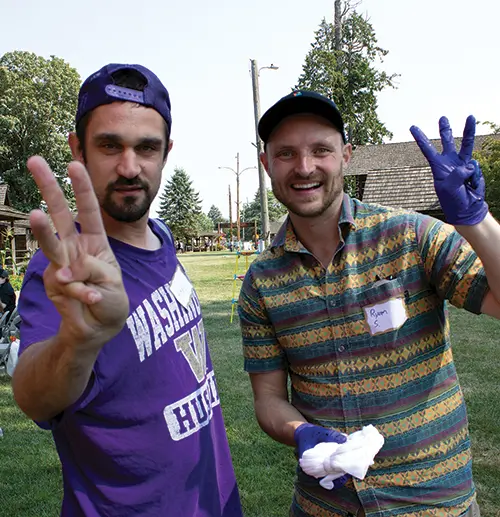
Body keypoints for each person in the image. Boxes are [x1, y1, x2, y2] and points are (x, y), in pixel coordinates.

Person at [238, 90, 499, 516]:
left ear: (346, 155)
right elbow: (268, 399)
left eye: (320, 150)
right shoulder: (262, 281)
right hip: (325, 503)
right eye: (286, 154)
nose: (304, 167)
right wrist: (300, 431)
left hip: (431, 503)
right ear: (267, 165)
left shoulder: (411, 236)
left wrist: (476, 220)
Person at [12, 63, 242, 517]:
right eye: (109, 145)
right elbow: (34, 397)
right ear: (78, 148)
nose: (130, 167)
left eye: (147, 148)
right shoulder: (64, 272)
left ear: (166, 152)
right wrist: (77, 343)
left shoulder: (161, 237)